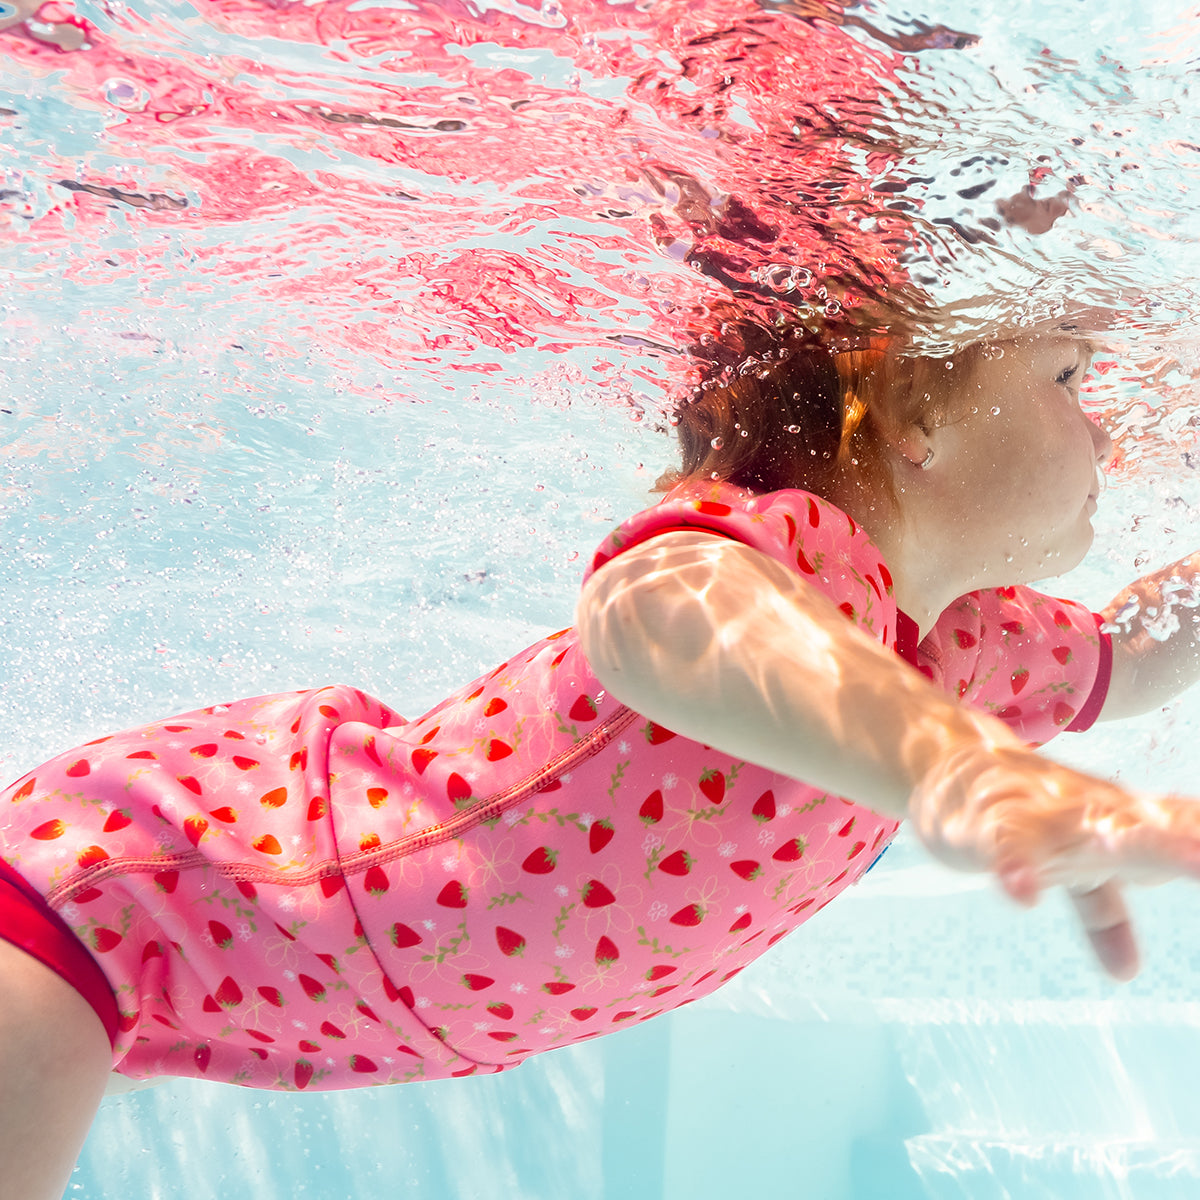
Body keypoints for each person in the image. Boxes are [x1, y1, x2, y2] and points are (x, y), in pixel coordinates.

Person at [7, 323, 1200, 1200]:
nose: (1107, 422)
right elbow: (653, 614)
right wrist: (953, 769)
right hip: (134, 892)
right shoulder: (798, 552)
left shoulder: (974, 649)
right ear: (913, 414)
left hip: (270, 1002)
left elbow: (1142, 658)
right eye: (1069, 376)